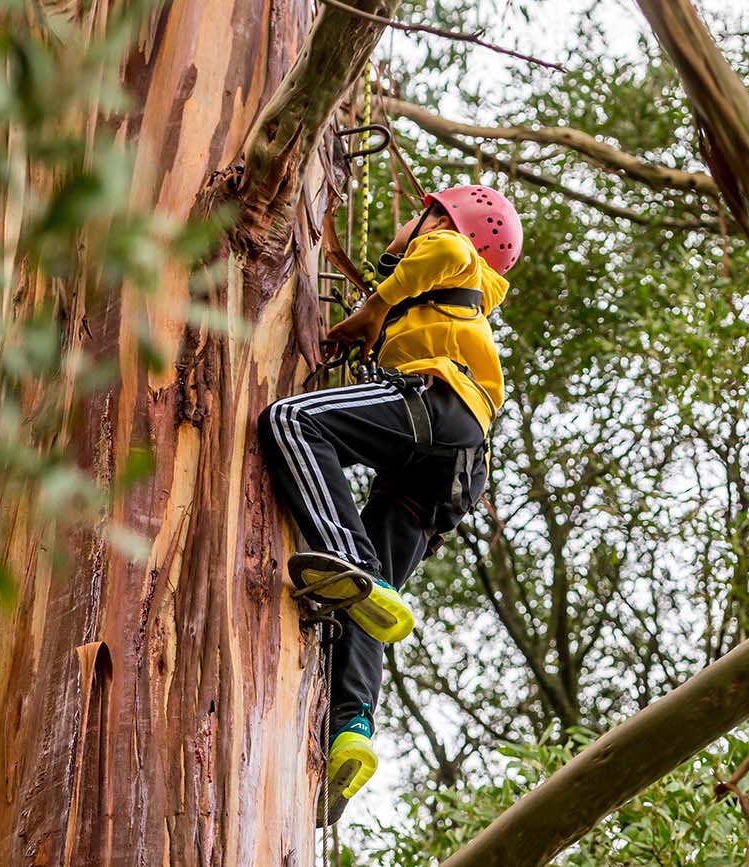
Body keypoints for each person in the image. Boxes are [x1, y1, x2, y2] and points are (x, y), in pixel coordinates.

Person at [257, 185, 522, 824]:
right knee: (370, 600)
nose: (406, 225)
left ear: (442, 216)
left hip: (437, 407)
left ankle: (345, 560)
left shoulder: (451, 250)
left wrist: (373, 309)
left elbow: (439, 251)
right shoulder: (448, 301)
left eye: (419, 214)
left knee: (292, 422)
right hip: (454, 467)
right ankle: (351, 729)